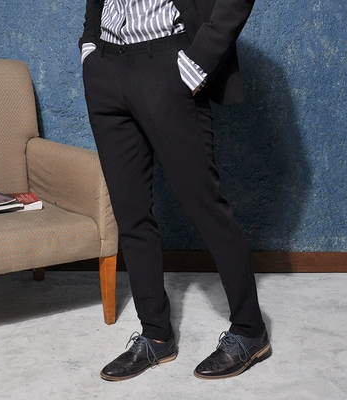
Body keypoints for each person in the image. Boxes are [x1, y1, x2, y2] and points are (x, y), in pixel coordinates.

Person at [80, 0, 271, 381]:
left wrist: (198, 60)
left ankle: (251, 331)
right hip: (106, 65)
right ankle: (156, 335)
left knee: (204, 206)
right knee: (130, 212)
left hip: (166, 64)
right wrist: (89, 44)